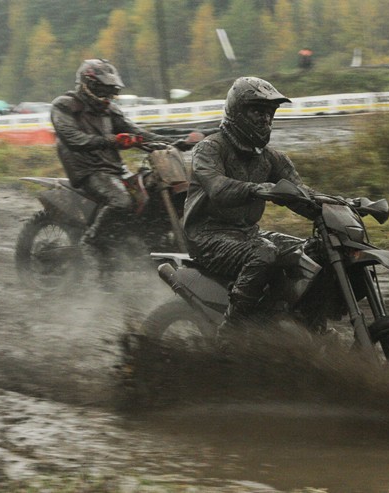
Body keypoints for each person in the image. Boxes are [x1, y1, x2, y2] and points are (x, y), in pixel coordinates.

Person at [182, 77, 318, 338]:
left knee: (310, 251)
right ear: (237, 111)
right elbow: (218, 188)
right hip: (207, 236)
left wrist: (344, 205)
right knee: (264, 253)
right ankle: (230, 332)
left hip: (247, 233)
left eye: (269, 113)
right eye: (257, 111)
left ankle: (298, 320)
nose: (264, 120)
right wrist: (256, 188)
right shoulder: (209, 148)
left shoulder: (272, 158)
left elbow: (303, 195)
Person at [50, 58, 174, 282]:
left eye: (111, 90)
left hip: (114, 169)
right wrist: (114, 140)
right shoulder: (65, 105)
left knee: (153, 191)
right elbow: (73, 139)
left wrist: (176, 142)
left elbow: (138, 133)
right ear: (87, 84)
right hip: (87, 170)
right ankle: (92, 242)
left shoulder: (109, 111)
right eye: (103, 89)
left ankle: (145, 244)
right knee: (122, 201)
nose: (107, 95)